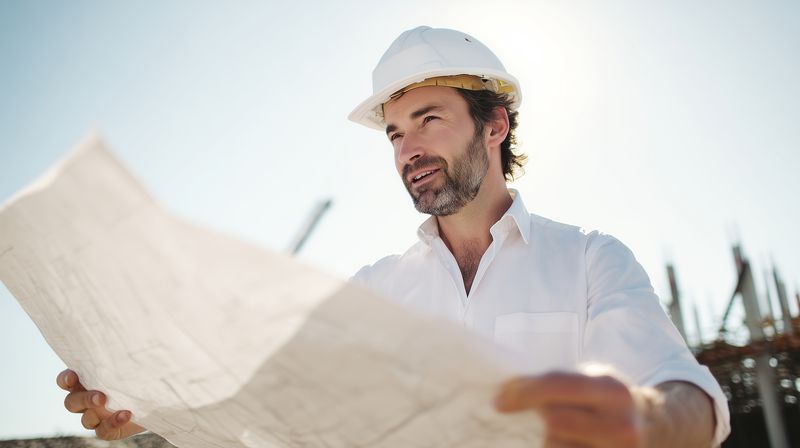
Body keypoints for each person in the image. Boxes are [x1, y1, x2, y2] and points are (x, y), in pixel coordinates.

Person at [58, 26, 730, 446]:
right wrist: (141, 404)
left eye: (428, 118)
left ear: (494, 125)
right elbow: (266, 402)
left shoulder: (589, 260)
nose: (407, 148)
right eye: (395, 132)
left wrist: (642, 420)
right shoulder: (374, 292)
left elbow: (689, 402)